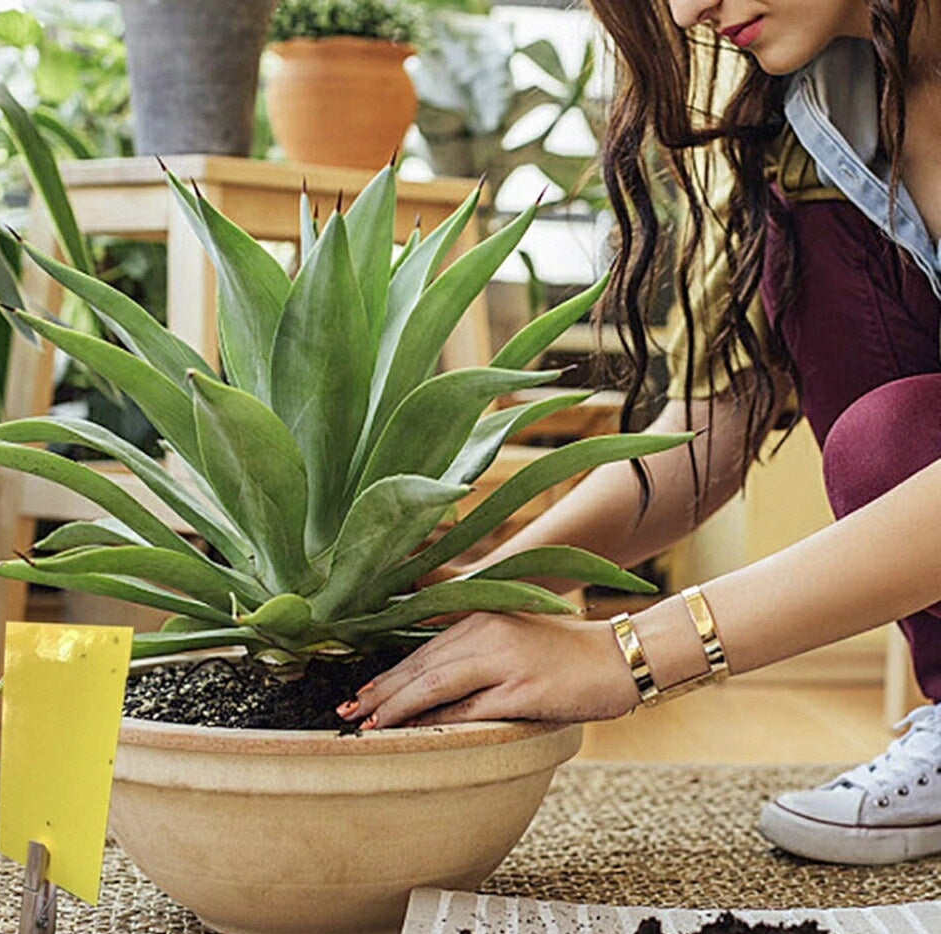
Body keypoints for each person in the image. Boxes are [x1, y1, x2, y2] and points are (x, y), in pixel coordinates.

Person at [337, 0, 941, 866]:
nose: (689, 8)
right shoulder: (801, 116)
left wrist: (631, 656)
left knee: (888, 438)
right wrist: (486, 588)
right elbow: (709, 428)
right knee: (888, 426)